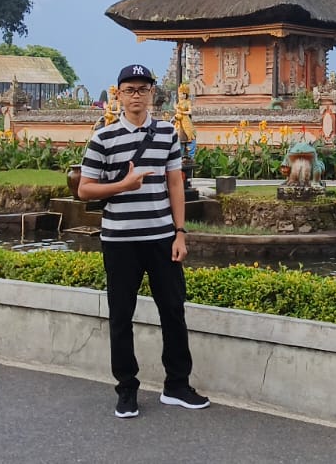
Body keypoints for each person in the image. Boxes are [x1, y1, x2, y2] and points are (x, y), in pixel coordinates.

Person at [76, 63, 208, 419]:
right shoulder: (102, 138)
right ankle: (126, 389)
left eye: (143, 89)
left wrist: (180, 232)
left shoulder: (167, 133)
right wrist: (123, 185)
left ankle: (177, 385)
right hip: (119, 240)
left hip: (162, 237)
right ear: (118, 95)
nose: (136, 96)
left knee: (173, 312)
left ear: (152, 93)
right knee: (121, 316)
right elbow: (84, 188)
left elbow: (176, 183)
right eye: (129, 90)